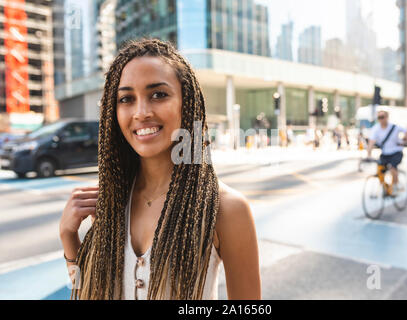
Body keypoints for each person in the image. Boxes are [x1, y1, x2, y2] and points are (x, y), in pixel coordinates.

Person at [59, 38, 261, 300]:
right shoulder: (111, 202)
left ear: (187, 104)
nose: (141, 112)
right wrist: (69, 238)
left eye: (158, 94)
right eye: (126, 98)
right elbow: (88, 293)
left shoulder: (226, 209)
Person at [366, 110, 407, 194]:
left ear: (387, 117)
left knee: (392, 167)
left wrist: (405, 139)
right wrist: (369, 154)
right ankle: (385, 187)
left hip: (396, 152)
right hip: (385, 153)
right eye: (379, 118)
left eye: (382, 117)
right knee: (380, 170)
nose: (380, 119)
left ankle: (397, 185)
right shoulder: (376, 128)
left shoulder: (394, 127)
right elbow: (371, 142)